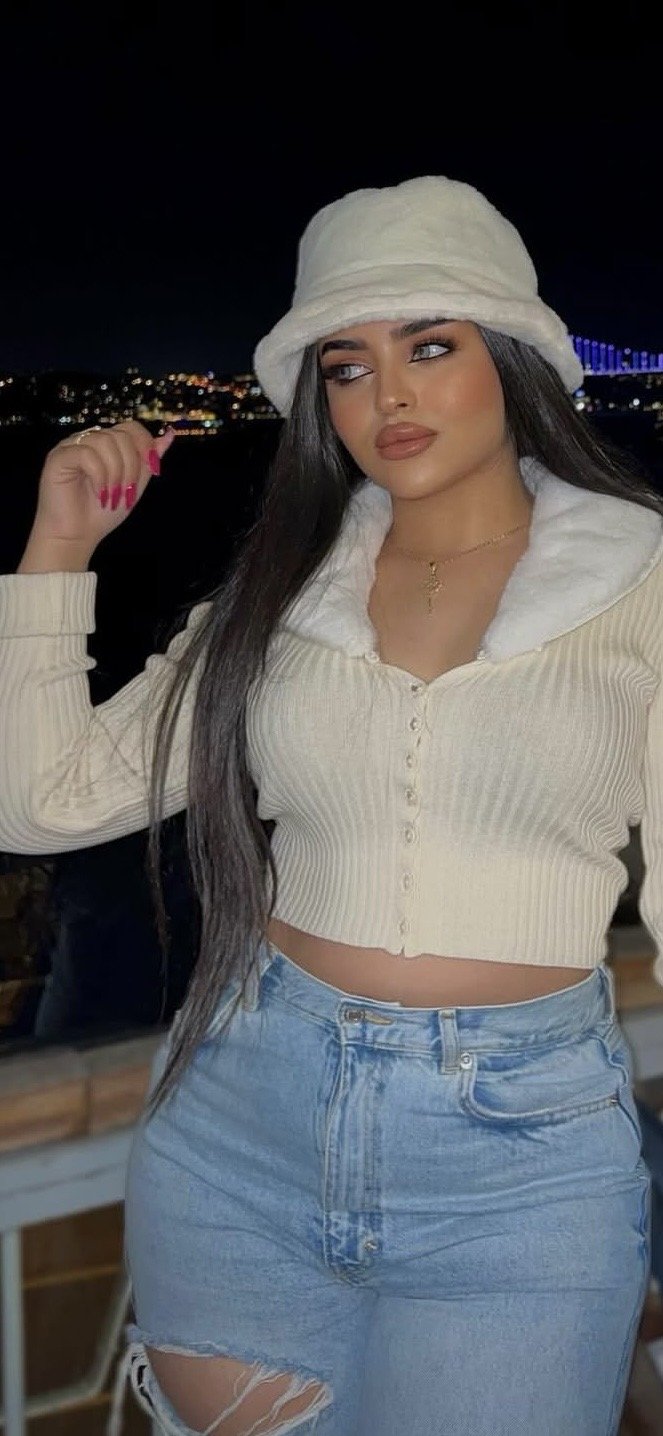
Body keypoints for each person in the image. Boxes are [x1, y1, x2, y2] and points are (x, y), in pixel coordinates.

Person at [0, 175, 660, 1436]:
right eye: (347, 366)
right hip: (242, 1124)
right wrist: (58, 550)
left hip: (521, 1169)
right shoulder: (280, 595)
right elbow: (41, 803)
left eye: (429, 346)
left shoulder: (642, 579)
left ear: (511, 355)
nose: (387, 395)